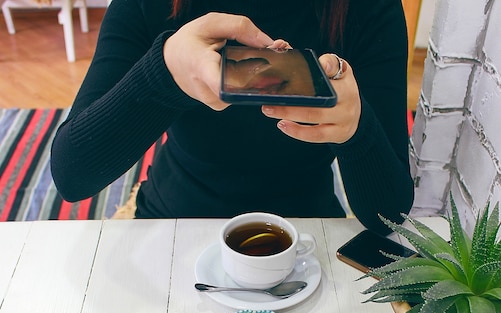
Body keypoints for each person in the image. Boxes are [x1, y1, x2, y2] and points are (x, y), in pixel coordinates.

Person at [50, 0, 414, 234]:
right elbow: (72, 174)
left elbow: (389, 214)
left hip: (305, 232)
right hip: (170, 225)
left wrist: (356, 130)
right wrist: (165, 69)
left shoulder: (367, 9)